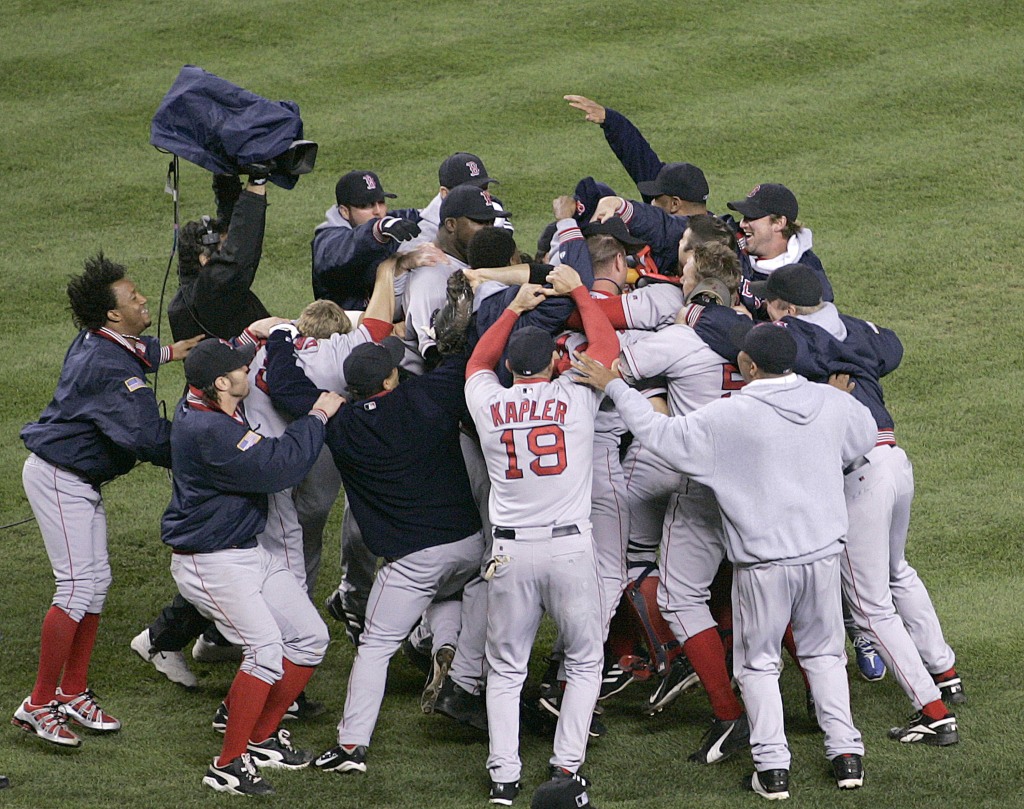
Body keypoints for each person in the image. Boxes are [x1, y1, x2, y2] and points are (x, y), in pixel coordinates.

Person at [571, 323, 876, 799]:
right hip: (822, 557)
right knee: (825, 657)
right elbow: (862, 442)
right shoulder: (832, 401)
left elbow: (657, 432)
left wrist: (614, 386)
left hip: (765, 565)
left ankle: (773, 769)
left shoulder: (728, 418)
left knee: (757, 666)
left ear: (749, 367)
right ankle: (847, 756)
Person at [749, 264, 962, 743]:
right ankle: (945, 671)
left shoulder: (792, 338)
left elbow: (763, 345)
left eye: (771, 303)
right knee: (897, 571)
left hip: (860, 476)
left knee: (869, 607)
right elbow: (891, 348)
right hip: (894, 462)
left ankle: (933, 712)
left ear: (787, 310)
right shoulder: (860, 331)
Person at [264, 322, 486, 776]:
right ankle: (454, 660)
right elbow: (472, 359)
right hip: (470, 549)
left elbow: (286, 385)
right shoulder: (427, 394)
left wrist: (281, 337)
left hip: (413, 562)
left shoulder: (340, 423)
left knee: (376, 646)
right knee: (451, 593)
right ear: (390, 379)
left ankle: (351, 747)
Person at [15, 253, 200, 748]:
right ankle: (38, 703)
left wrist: (172, 352)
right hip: (60, 479)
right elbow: (146, 437)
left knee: (96, 586)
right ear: (114, 314)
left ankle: (72, 691)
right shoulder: (110, 368)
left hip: (74, 479)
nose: (142, 299)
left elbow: (136, 350)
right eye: (133, 297)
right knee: (76, 587)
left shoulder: (101, 339)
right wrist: (206, 448)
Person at [464, 266, 618, 806]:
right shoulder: (575, 394)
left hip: (509, 551)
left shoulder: (487, 400)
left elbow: (477, 362)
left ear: (510, 367)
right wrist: (578, 288)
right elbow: (606, 344)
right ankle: (566, 767)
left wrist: (512, 309)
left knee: (505, 668)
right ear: (557, 361)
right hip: (569, 549)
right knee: (584, 659)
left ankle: (503, 776)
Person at [162, 338, 343, 796]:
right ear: (223, 383)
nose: (249, 371)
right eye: (242, 367)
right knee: (264, 650)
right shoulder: (210, 431)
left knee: (309, 637)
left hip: (244, 551)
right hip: (210, 561)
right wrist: (317, 415)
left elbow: (221, 364)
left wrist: (252, 335)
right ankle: (227, 764)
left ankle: (261, 737)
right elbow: (281, 467)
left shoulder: (210, 398)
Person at [402, 183, 510, 372]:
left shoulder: (471, 259)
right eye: (480, 222)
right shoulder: (430, 275)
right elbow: (435, 354)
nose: (489, 230)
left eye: (491, 222)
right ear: (451, 224)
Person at [168, 173, 272, 341]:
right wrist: (257, 182)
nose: (228, 250)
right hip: (244, 365)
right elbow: (238, 258)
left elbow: (234, 229)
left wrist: (225, 173)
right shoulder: (211, 294)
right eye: (224, 250)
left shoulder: (192, 292)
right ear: (205, 259)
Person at [311, 169, 432, 309]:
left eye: (381, 202)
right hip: (345, 325)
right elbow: (346, 250)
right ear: (345, 211)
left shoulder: (385, 222)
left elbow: (426, 215)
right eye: (366, 205)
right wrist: (375, 231)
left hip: (382, 318)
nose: (378, 211)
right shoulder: (327, 241)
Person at [726, 183, 833, 312]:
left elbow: (809, 329)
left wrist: (746, 323)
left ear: (779, 223)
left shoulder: (806, 279)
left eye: (751, 217)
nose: (742, 224)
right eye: (744, 217)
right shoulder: (731, 238)